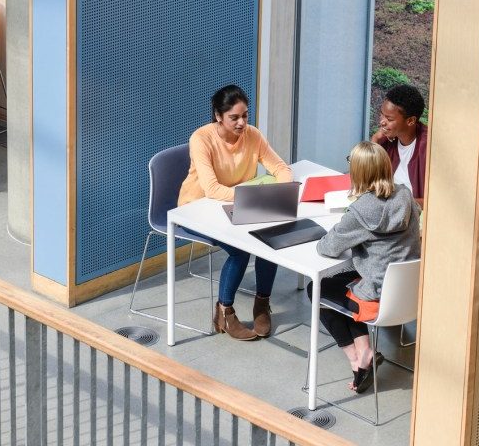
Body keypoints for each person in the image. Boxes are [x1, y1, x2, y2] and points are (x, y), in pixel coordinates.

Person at [177, 85, 292, 341]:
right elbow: (212, 189)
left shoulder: (253, 135)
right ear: (218, 116)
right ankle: (224, 311)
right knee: (240, 251)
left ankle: (262, 303)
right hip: (196, 209)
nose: (242, 123)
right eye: (234, 118)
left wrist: (282, 187)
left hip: (238, 204)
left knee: (269, 240)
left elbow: (280, 168)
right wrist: (256, 197)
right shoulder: (201, 138)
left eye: (245, 116)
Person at [311, 141, 421, 393]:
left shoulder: (362, 210)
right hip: (407, 293)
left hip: (377, 295)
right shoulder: (405, 195)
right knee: (342, 286)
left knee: (318, 290)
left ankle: (357, 357)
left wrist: (347, 222)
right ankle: (366, 353)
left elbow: (327, 247)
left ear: (359, 173)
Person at [370, 83, 428, 203]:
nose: (382, 122)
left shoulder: (428, 147)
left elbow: (436, 202)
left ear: (411, 121)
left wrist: (397, 202)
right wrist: (375, 141)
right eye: (382, 114)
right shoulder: (385, 140)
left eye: (389, 119)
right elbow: (369, 183)